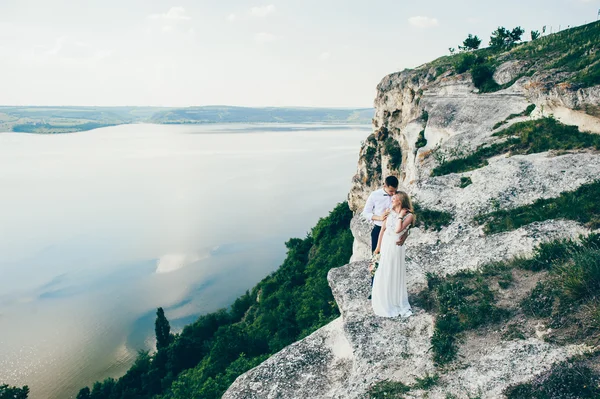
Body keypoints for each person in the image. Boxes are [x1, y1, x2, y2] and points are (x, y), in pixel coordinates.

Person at [371, 191, 415, 318]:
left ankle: (395, 300)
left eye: (394, 198)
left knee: (393, 271)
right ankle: (384, 299)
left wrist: (400, 215)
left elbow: (398, 229)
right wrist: (378, 247)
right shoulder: (389, 212)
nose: (391, 200)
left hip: (396, 247)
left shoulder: (409, 216)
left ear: (400, 201)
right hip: (386, 244)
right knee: (384, 270)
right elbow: (382, 230)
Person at [361, 176, 399, 252]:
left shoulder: (399, 195)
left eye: (395, 190)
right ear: (385, 186)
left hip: (393, 230)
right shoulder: (374, 195)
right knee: (376, 257)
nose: (393, 193)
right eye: (391, 191)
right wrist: (379, 218)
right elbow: (365, 213)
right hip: (378, 229)